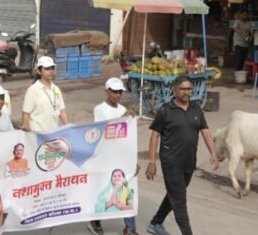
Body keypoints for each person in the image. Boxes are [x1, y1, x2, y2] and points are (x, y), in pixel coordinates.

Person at [146, 75, 219, 235]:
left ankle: (156, 222)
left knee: (174, 195)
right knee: (179, 201)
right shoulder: (165, 111)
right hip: (171, 162)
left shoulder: (196, 108)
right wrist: (152, 161)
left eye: (189, 89)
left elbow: (205, 131)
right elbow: (155, 136)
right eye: (183, 89)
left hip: (189, 162)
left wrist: (213, 152)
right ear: (175, 90)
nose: (187, 92)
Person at [89, 79, 138, 235]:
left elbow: (129, 137)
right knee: (104, 190)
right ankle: (95, 221)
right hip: (105, 156)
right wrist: (124, 116)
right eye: (114, 91)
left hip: (122, 157)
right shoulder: (100, 109)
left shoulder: (123, 109)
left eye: (120, 92)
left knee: (126, 189)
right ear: (107, 91)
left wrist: (134, 160)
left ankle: (130, 228)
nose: (117, 95)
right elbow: (104, 131)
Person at [21, 56, 68, 132]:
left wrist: (68, 127)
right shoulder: (33, 90)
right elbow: (26, 113)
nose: (51, 71)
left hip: (53, 133)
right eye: (47, 69)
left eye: (52, 68)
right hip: (38, 134)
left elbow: (61, 111)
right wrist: (27, 132)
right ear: (39, 71)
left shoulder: (56, 89)